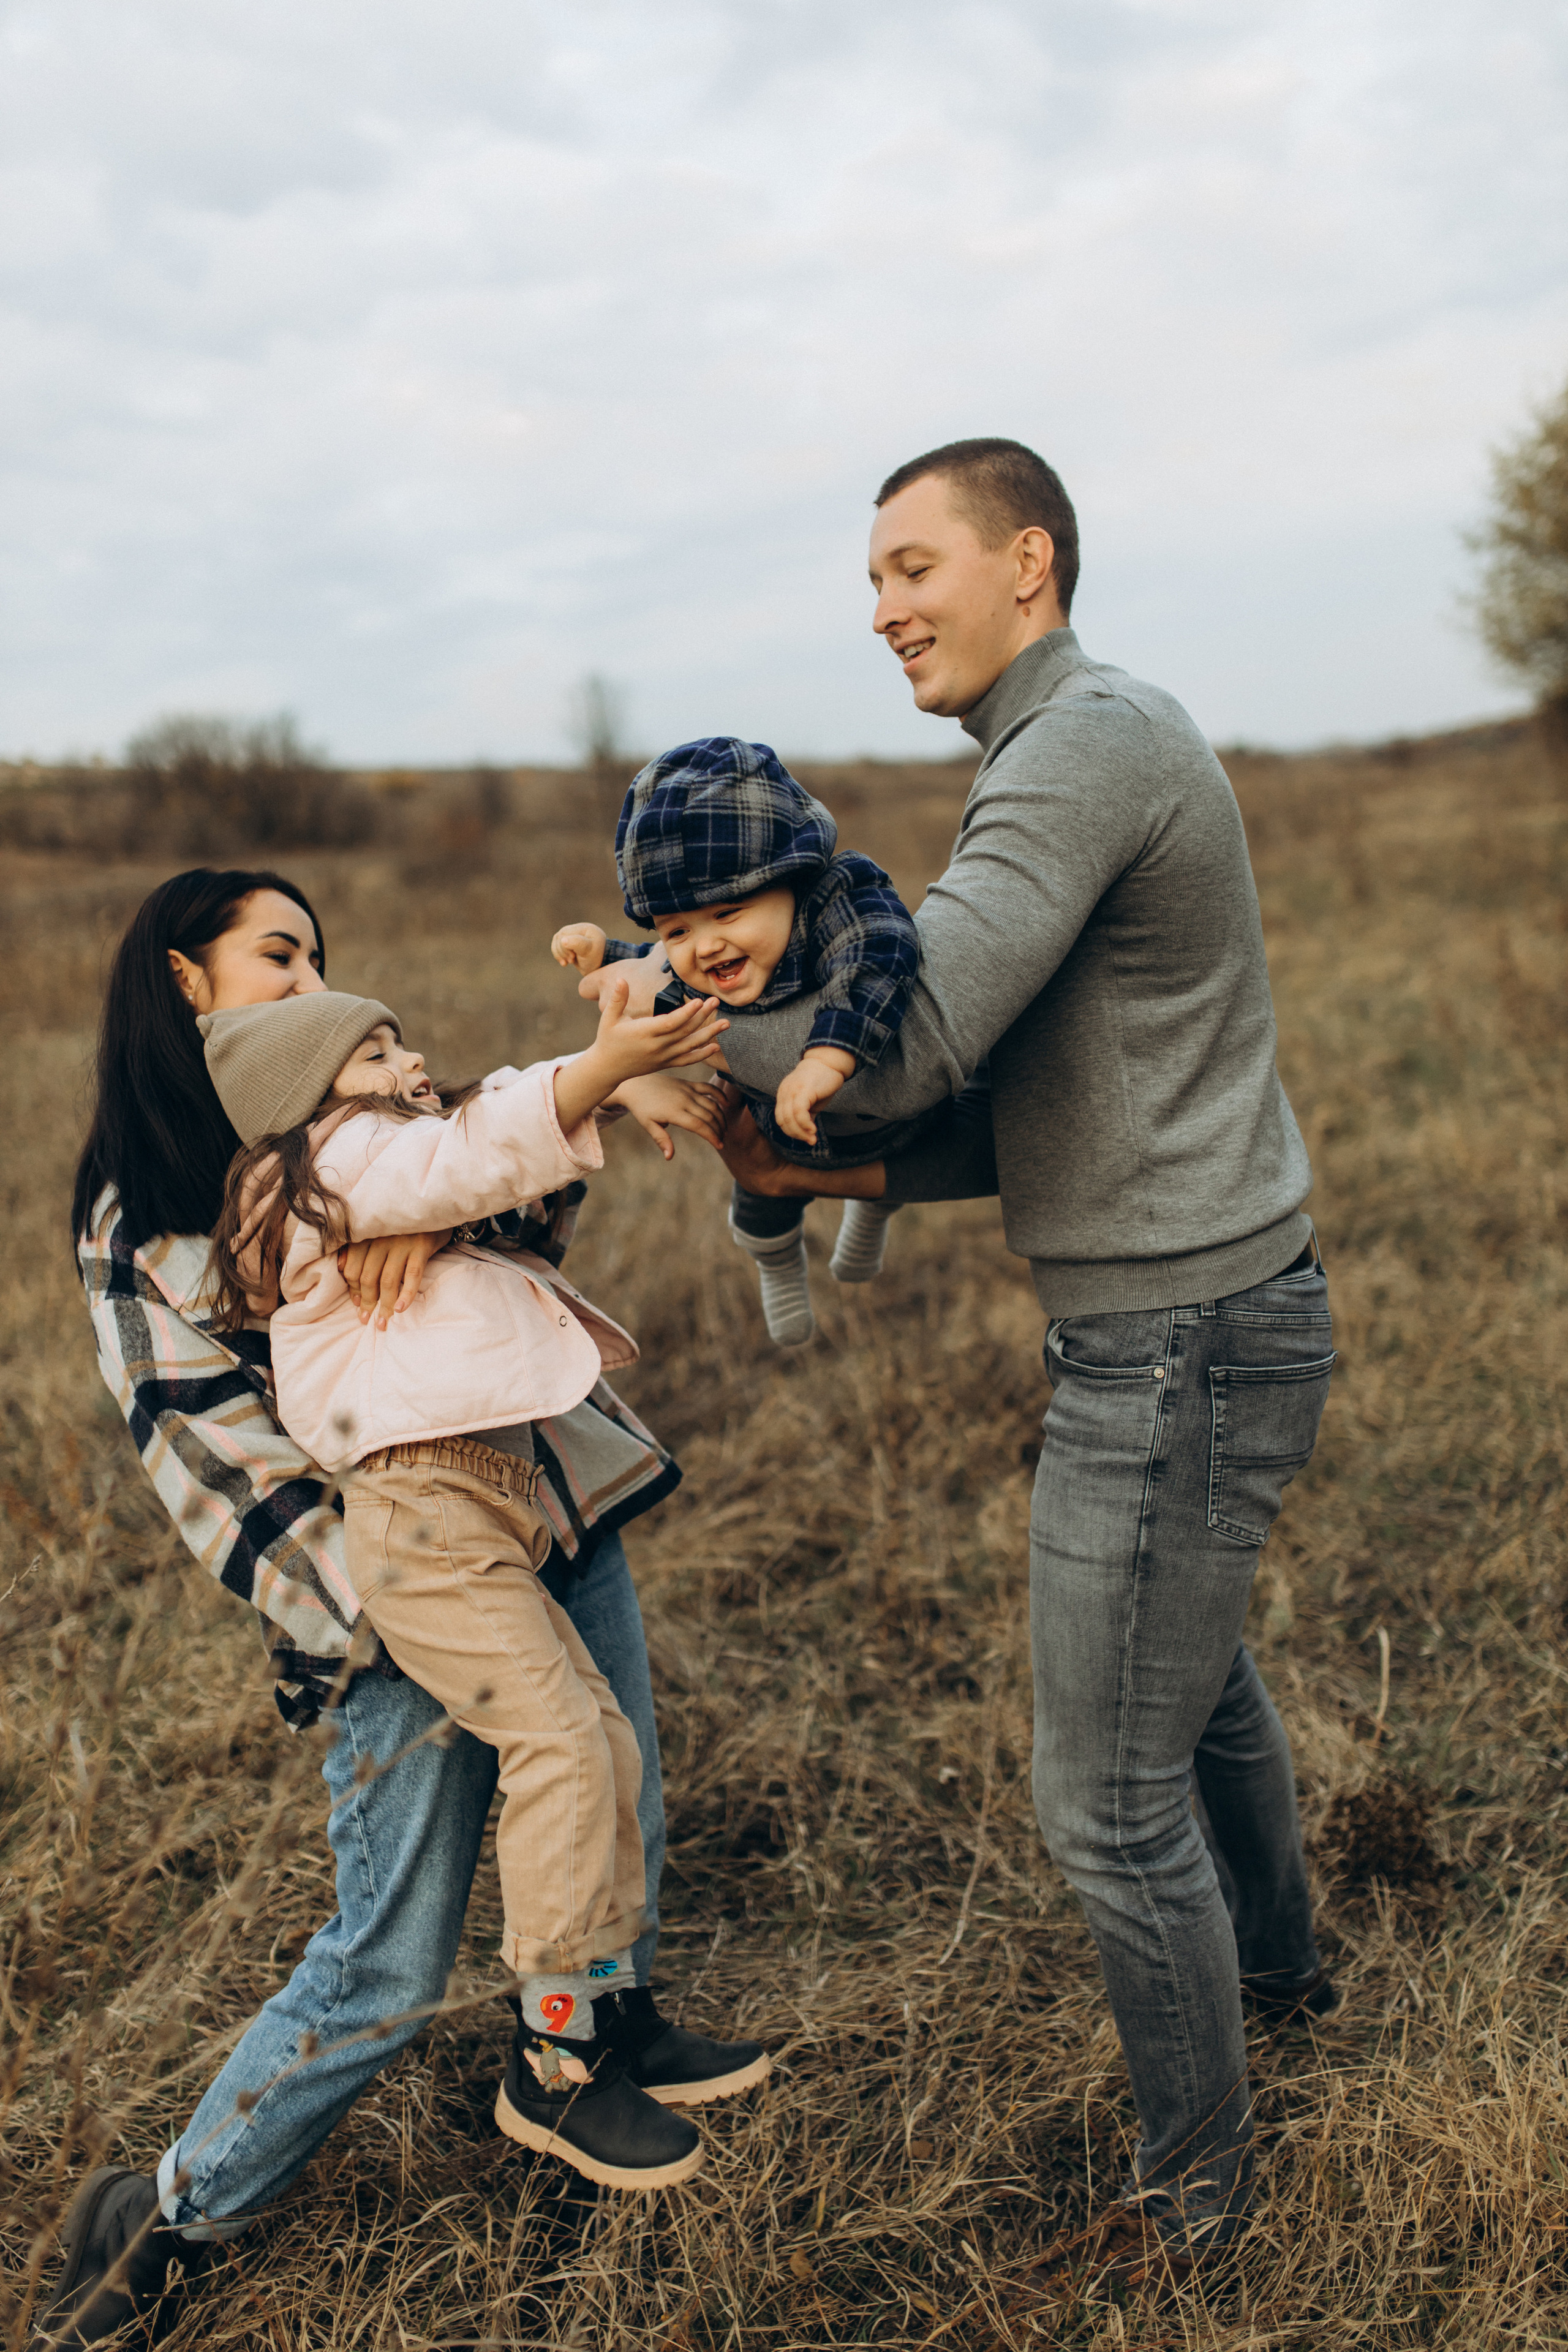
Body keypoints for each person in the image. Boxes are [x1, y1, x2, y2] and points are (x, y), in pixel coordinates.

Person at [714, 439, 1337, 2287]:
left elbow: (899, 1049)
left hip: (1177, 1335)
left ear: (1029, 564)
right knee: (1191, 1672)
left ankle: (1194, 2200)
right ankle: (1289, 1977)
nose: (886, 606)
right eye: (874, 579)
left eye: (916, 564)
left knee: (1100, 1793)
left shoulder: (1075, 749)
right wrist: (795, 1117)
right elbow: (1004, 1111)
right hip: (1201, 1306)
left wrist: (687, 1037)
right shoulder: (1069, 749)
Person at [40, 869, 763, 2350]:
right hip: (394, 1580)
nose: (313, 978)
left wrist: (438, 1210)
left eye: (322, 953)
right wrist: (386, 1616)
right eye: (278, 951)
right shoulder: (155, 1197)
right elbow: (211, 1452)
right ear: (187, 980)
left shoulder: (349, 1120)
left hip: (543, 1492)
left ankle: (584, 2068)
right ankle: (174, 2217)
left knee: (615, 1778)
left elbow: (510, 1213)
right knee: (390, 1951)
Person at [200, 981, 756, 2192]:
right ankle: (555, 2058)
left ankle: (609, 2010)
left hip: (482, 1502)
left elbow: (482, 1144)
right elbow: (469, 1150)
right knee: (563, 1741)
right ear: (306, 1098)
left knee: (599, 1741)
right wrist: (599, 1063)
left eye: (402, 1039)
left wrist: (615, 1077)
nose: (407, 1059)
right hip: (423, 1514)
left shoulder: (379, 1160)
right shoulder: (330, 1164)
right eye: (373, 1051)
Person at [551, 735, 927, 1347]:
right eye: (678, 928)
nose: (705, 945)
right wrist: (607, 955)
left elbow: (878, 959)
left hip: (882, 1115)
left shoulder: (841, 899)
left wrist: (826, 1057)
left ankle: (872, 1214)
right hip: (774, 1130)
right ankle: (777, 1263)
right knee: (757, 1194)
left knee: (889, 1172)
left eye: (728, 914)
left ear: (793, 879)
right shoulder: (699, 957)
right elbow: (658, 965)